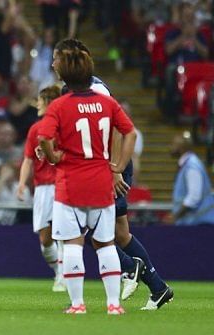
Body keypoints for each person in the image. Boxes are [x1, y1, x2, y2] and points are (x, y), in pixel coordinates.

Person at [54, 38, 173, 311]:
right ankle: (158, 287)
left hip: (107, 165)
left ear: (70, 59)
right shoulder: (69, 89)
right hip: (100, 165)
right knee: (119, 233)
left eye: (56, 57)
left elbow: (117, 128)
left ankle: (130, 267)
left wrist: (115, 169)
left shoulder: (95, 89)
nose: (53, 63)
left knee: (93, 229)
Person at [39, 40, 137, 314]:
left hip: (71, 183)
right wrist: (118, 166)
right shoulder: (106, 103)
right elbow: (130, 132)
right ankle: (114, 305)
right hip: (101, 182)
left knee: (72, 243)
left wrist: (52, 156)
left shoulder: (60, 105)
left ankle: (78, 304)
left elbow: (44, 137)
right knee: (106, 244)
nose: (53, 65)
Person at [17, 84, 65, 292]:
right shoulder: (36, 129)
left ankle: (64, 275)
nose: (37, 104)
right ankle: (58, 271)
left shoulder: (64, 127)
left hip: (62, 183)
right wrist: (21, 183)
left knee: (63, 232)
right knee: (45, 239)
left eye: (41, 100)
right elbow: (28, 159)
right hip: (43, 188)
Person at [167, 132, 214, 225]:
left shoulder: (192, 166)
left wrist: (175, 216)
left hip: (199, 224)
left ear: (181, 147)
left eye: (173, 144)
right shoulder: (187, 164)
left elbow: (193, 198)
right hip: (192, 223)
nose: (170, 147)